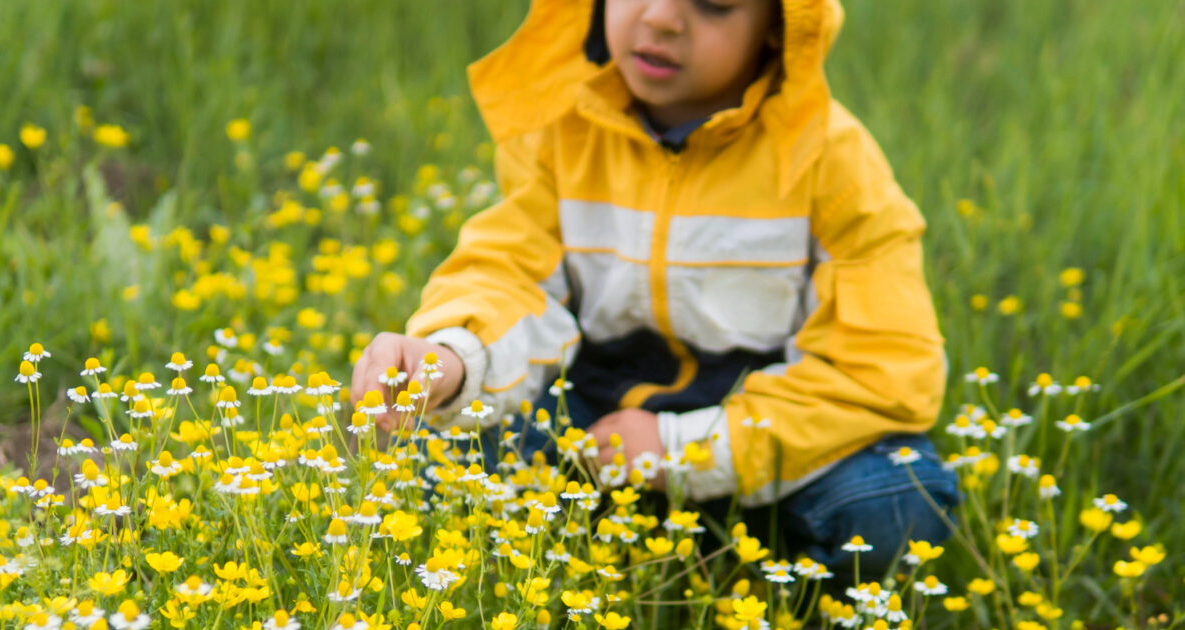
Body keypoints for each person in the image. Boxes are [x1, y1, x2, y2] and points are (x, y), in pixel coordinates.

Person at [351, 0, 960, 590]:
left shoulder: (831, 158)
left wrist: (683, 452)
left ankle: (727, 546)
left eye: (714, 4)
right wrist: (456, 360)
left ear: (777, 25)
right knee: (437, 454)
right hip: (595, 433)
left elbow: (881, 368)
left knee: (895, 501)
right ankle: (627, 539)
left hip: (764, 444)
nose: (662, 17)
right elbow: (509, 275)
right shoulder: (563, 123)